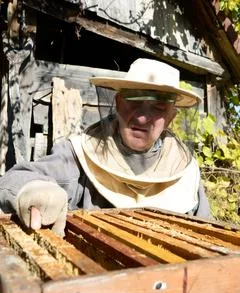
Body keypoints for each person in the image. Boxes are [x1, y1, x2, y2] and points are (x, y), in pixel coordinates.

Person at [0, 58, 211, 236]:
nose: (142, 117)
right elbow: (14, 179)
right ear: (118, 103)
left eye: (158, 107)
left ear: (171, 118)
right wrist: (33, 188)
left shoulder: (186, 172)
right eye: (134, 101)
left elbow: (206, 235)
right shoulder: (78, 154)